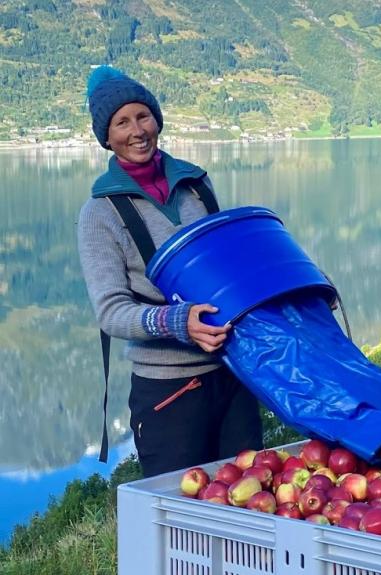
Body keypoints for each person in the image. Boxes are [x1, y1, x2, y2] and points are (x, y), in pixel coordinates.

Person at [77, 66, 263, 477]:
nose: (136, 130)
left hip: (232, 376)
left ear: (157, 119)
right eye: (121, 122)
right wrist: (179, 321)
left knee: (251, 504)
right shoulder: (99, 214)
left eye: (143, 116)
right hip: (168, 391)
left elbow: (226, 267)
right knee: (181, 517)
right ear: (106, 137)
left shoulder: (196, 184)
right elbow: (110, 312)